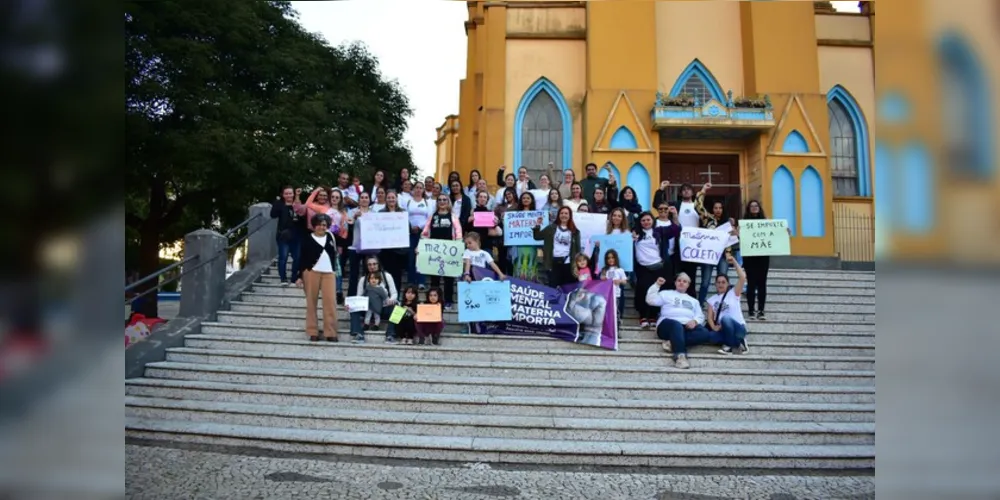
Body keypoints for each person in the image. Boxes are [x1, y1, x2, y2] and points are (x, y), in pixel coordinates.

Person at [646, 273, 721, 369]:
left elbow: (700, 316)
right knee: (676, 325)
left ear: (688, 285)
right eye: (679, 280)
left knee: (705, 333)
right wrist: (657, 285)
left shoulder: (694, 301)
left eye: (684, 281)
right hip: (667, 324)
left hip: (686, 327)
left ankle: (673, 342)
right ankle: (680, 356)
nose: (681, 282)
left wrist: (695, 321)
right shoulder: (666, 293)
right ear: (675, 282)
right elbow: (650, 300)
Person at [632, 211, 681, 329]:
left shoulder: (660, 231)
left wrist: (674, 216)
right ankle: (643, 316)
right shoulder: (634, 233)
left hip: (659, 267)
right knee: (642, 290)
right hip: (643, 268)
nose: (646, 222)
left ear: (653, 220)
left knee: (657, 292)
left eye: (648, 219)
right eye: (643, 220)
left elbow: (676, 229)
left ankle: (653, 316)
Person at [296, 214, 341, 342]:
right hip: (311, 272)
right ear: (314, 226)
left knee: (330, 302)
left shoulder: (331, 237)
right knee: (311, 302)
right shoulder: (307, 239)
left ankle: (331, 332)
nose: (322, 227)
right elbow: (301, 258)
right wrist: (299, 276)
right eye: (319, 224)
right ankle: (313, 331)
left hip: (329, 273)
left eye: (324, 225)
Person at [741, 199, 786, 320]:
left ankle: (761, 310)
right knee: (751, 284)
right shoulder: (744, 223)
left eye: (756, 206)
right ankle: (751, 311)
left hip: (763, 257)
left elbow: (775, 234)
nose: (754, 207)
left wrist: (784, 231)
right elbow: (741, 239)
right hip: (749, 257)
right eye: (752, 206)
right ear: (748, 209)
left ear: (759, 207)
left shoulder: (766, 222)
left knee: (762, 283)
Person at [421, 194, 463, 310]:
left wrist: (458, 247)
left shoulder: (453, 216)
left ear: (448, 202)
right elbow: (425, 233)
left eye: (444, 200)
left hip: (449, 252)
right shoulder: (432, 216)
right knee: (435, 279)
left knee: (449, 278)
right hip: (434, 252)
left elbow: (459, 233)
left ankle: (448, 301)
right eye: (439, 200)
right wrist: (421, 246)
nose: (442, 202)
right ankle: (435, 301)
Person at [349, 256, 399, 344]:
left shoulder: (387, 276)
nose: (372, 266)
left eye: (374, 264)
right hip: (368, 309)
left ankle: (390, 335)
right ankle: (359, 334)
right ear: (367, 266)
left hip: (383, 308)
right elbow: (359, 297)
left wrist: (391, 300)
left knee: (398, 309)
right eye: (369, 264)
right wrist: (352, 304)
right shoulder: (363, 280)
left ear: (379, 264)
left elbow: (394, 293)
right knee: (353, 307)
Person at [707, 255, 749, 354]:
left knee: (725, 318)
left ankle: (730, 345)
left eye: (723, 282)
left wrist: (734, 261)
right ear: (715, 284)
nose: (721, 284)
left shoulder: (734, 293)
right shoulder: (712, 299)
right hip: (723, 330)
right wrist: (713, 327)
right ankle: (738, 343)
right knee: (711, 337)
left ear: (728, 284)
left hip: (738, 328)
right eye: (718, 282)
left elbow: (742, 277)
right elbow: (709, 317)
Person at [532, 206, 581, 287]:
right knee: (554, 286)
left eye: (566, 213)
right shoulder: (551, 228)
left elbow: (578, 249)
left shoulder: (575, 231)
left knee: (567, 287)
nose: (564, 215)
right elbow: (537, 237)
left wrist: (577, 265)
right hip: (553, 262)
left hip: (568, 263)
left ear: (570, 216)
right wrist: (537, 226)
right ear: (558, 215)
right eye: (561, 213)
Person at [675, 182, 707, 300]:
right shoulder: (677, 205)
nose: (686, 191)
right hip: (680, 243)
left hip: (694, 244)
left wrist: (703, 190)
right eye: (684, 190)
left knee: (691, 273)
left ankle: (691, 297)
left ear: (693, 192)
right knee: (679, 271)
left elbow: (707, 220)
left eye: (689, 189)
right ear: (680, 192)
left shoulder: (697, 206)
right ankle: (678, 296)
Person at [270, 186, 306, 286]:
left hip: (297, 236)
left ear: (293, 194)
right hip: (283, 236)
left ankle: (294, 278)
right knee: (283, 257)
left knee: (297, 258)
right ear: (283, 195)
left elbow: (303, 218)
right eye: (286, 193)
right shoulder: (280, 204)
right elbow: (273, 215)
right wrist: (277, 203)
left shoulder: (297, 204)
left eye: (290, 193)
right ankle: (283, 279)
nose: (289, 195)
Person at [405, 182, 432, 290]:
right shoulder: (408, 202)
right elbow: (404, 217)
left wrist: (420, 228)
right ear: (413, 189)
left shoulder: (426, 202)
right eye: (416, 187)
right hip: (410, 233)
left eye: (421, 188)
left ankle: (421, 281)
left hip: (423, 233)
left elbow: (429, 218)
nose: (418, 189)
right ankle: (411, 281)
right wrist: (411, 227)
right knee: (411, 257)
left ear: (423, 190)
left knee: (421, 257)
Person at [379, 192, 408, 289]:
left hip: (399, 250)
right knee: (385, 274)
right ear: (386, 199)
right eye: (389, 197)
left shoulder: (403, 212)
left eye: (393, 197)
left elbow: (408, 227)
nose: (391, 199)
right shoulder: (381, 213)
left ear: (396, 199)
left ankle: (397, 297)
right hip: (385, 249)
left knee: (397, 275)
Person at [510, 192, 540, 281]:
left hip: (531, 245)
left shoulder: (537, 214)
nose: (526, 200)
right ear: (521, 200)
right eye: (524, 198)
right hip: (519, 245)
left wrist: (547, 216)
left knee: (531, 264)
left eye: (528, 198)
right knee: (519, 264)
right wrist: (505, 218)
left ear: (531, 200)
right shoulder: (515, 214)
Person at [600, 249, 628, 327]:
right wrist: (603, 278)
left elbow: (625, 281)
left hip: (616, 295)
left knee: (617, 313)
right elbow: (601, 280)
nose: (611, 259)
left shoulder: (620, 270)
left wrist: (619, 281)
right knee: (607, 313)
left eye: (612, 257)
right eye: (608, 258)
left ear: (616, 258)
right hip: (606, 296)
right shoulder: (604, 270)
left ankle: (616, 331)